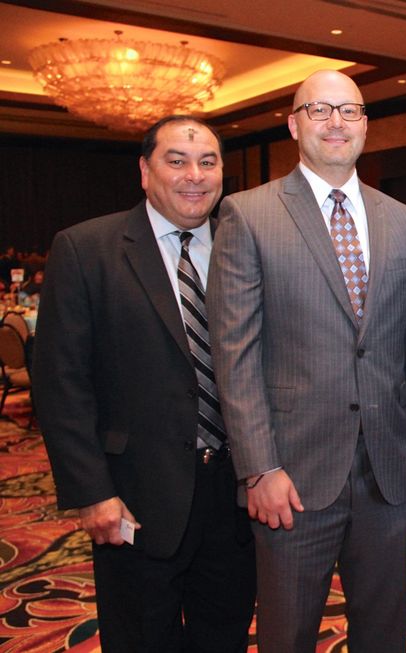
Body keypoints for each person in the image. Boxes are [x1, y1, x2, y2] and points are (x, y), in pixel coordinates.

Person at [208, 69, 406, 653]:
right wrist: (259, 468)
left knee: (384, 632)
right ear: (294, 125)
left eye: (350, 111)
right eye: (320, 110)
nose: (336, 123)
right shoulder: (248, 215)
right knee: (287, 633)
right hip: (291, 476)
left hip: (389, 471)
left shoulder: (402, 220)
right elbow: (234, 354)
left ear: (366, 124)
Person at [31, 116, 256, 652]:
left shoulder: (245, 245)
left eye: (207, 162)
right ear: (144, 170)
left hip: (237, 496)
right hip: (135, 494)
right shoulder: (86, 248)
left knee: (223, 635)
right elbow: (61, 383)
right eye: (176, 161)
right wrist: (92, 492)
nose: (194, 176)